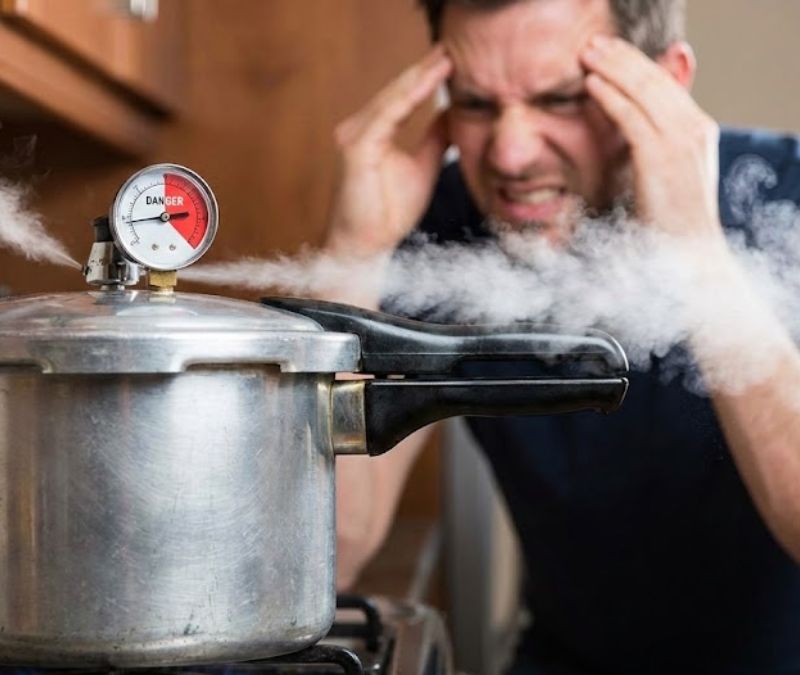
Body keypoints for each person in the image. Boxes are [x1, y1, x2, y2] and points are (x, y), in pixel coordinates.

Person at [325, 0, 800, 673]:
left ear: (664, 83)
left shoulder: (786, 198)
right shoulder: (446, 220)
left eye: (563, 99)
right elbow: (336, 545)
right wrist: (353, 256)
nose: (510, 155)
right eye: (476, 104)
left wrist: (698, 256)